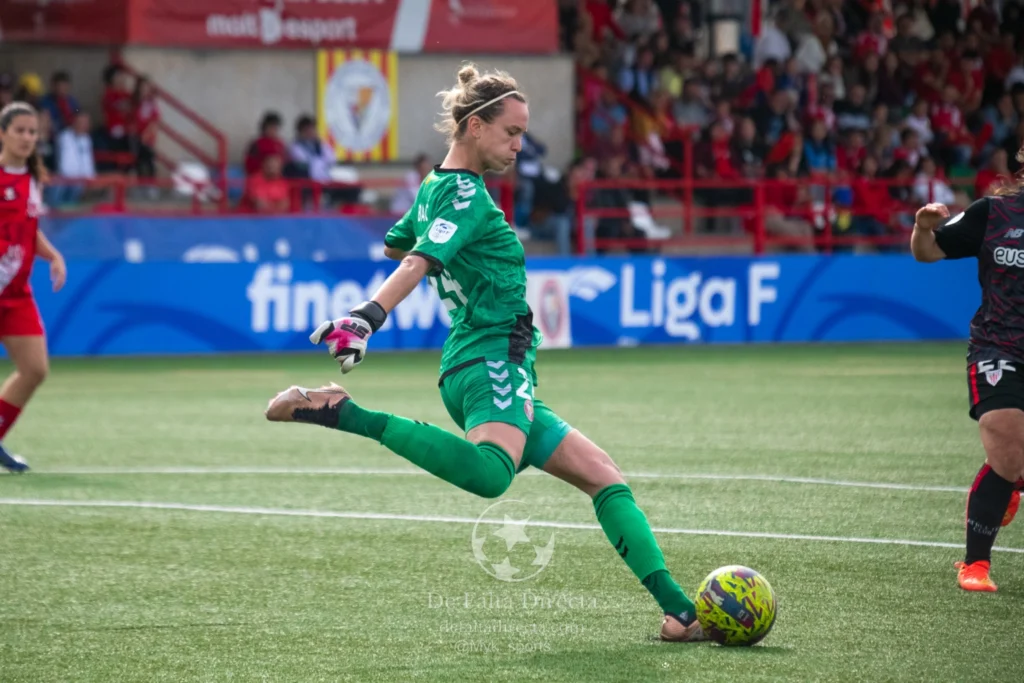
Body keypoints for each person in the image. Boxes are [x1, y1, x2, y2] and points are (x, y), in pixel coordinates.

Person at [265, 65, 707, 642]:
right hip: (490, 355)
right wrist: (367, 316)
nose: (520, 145)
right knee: (491, 475)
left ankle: (680, 614)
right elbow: (414, 259)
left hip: (492, 360)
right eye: (511, 132)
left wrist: (450, 249)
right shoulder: (467, 195)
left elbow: (398, 242)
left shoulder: (435, 187)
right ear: (475, 126)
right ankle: (346, 413)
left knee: (603, 476)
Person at [910, 143, 1024, 592]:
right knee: (1005, 434)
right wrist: (922, 227)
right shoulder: (992, 213)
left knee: (1011, 459)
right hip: (999, 346)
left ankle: (1012, 478)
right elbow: (927, 252)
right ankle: (975, 564)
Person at [0, 102, 68, 472]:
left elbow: (28, 229)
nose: (27, 138)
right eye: (20, 130)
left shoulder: (31, 178)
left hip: (15, 295)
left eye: (32, 132)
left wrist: (52, 255)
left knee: (35, 369)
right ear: (3, 134)